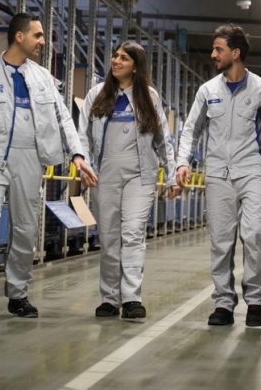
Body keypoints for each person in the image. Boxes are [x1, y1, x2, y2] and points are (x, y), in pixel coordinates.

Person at [0, 12, 98, 324]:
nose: (43, 42)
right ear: (19, 36)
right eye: (38, 36)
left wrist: (78, 156)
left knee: (26, 229)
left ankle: (17, 294)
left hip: (30, 158)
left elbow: (63, 119)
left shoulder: (43, 78)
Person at [175, 23, 261, 327]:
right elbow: (190, 130)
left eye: (218, 49)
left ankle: (255, 301)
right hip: (218, 174)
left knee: (255, 234)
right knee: (221, 240)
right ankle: (223, 302)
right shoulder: (207, 91)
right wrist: (182, 162)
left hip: (252, 170)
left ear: (235, 53)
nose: (213, 54)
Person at [78, 41, 181, 320]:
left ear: (136, 65)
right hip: (105, 175)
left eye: (124, 57)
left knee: (133, 233)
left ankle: (132, 298)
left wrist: (171, 176)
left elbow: (163, 140)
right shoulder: (96, 95)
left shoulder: (149, 97)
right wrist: (83, 163)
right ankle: (109, 299)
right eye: (115, 56)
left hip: (140, 176)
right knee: (109, 237)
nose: (116, 60)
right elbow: (82, 135)